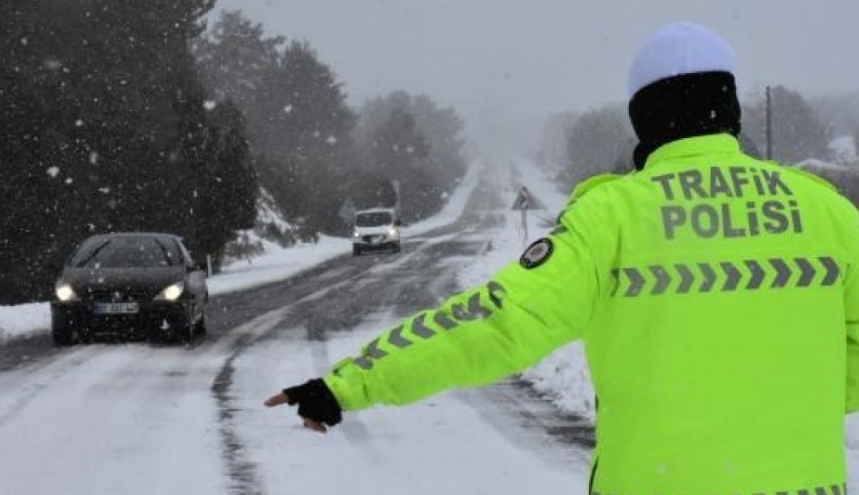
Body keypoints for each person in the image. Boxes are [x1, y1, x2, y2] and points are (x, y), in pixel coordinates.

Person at [266, 21, 859, 494]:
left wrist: (348, 385)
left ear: (644, 119)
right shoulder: (829, 214)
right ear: (731, 109)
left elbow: (495, 323)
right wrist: (787, 397)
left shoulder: (612, 218)